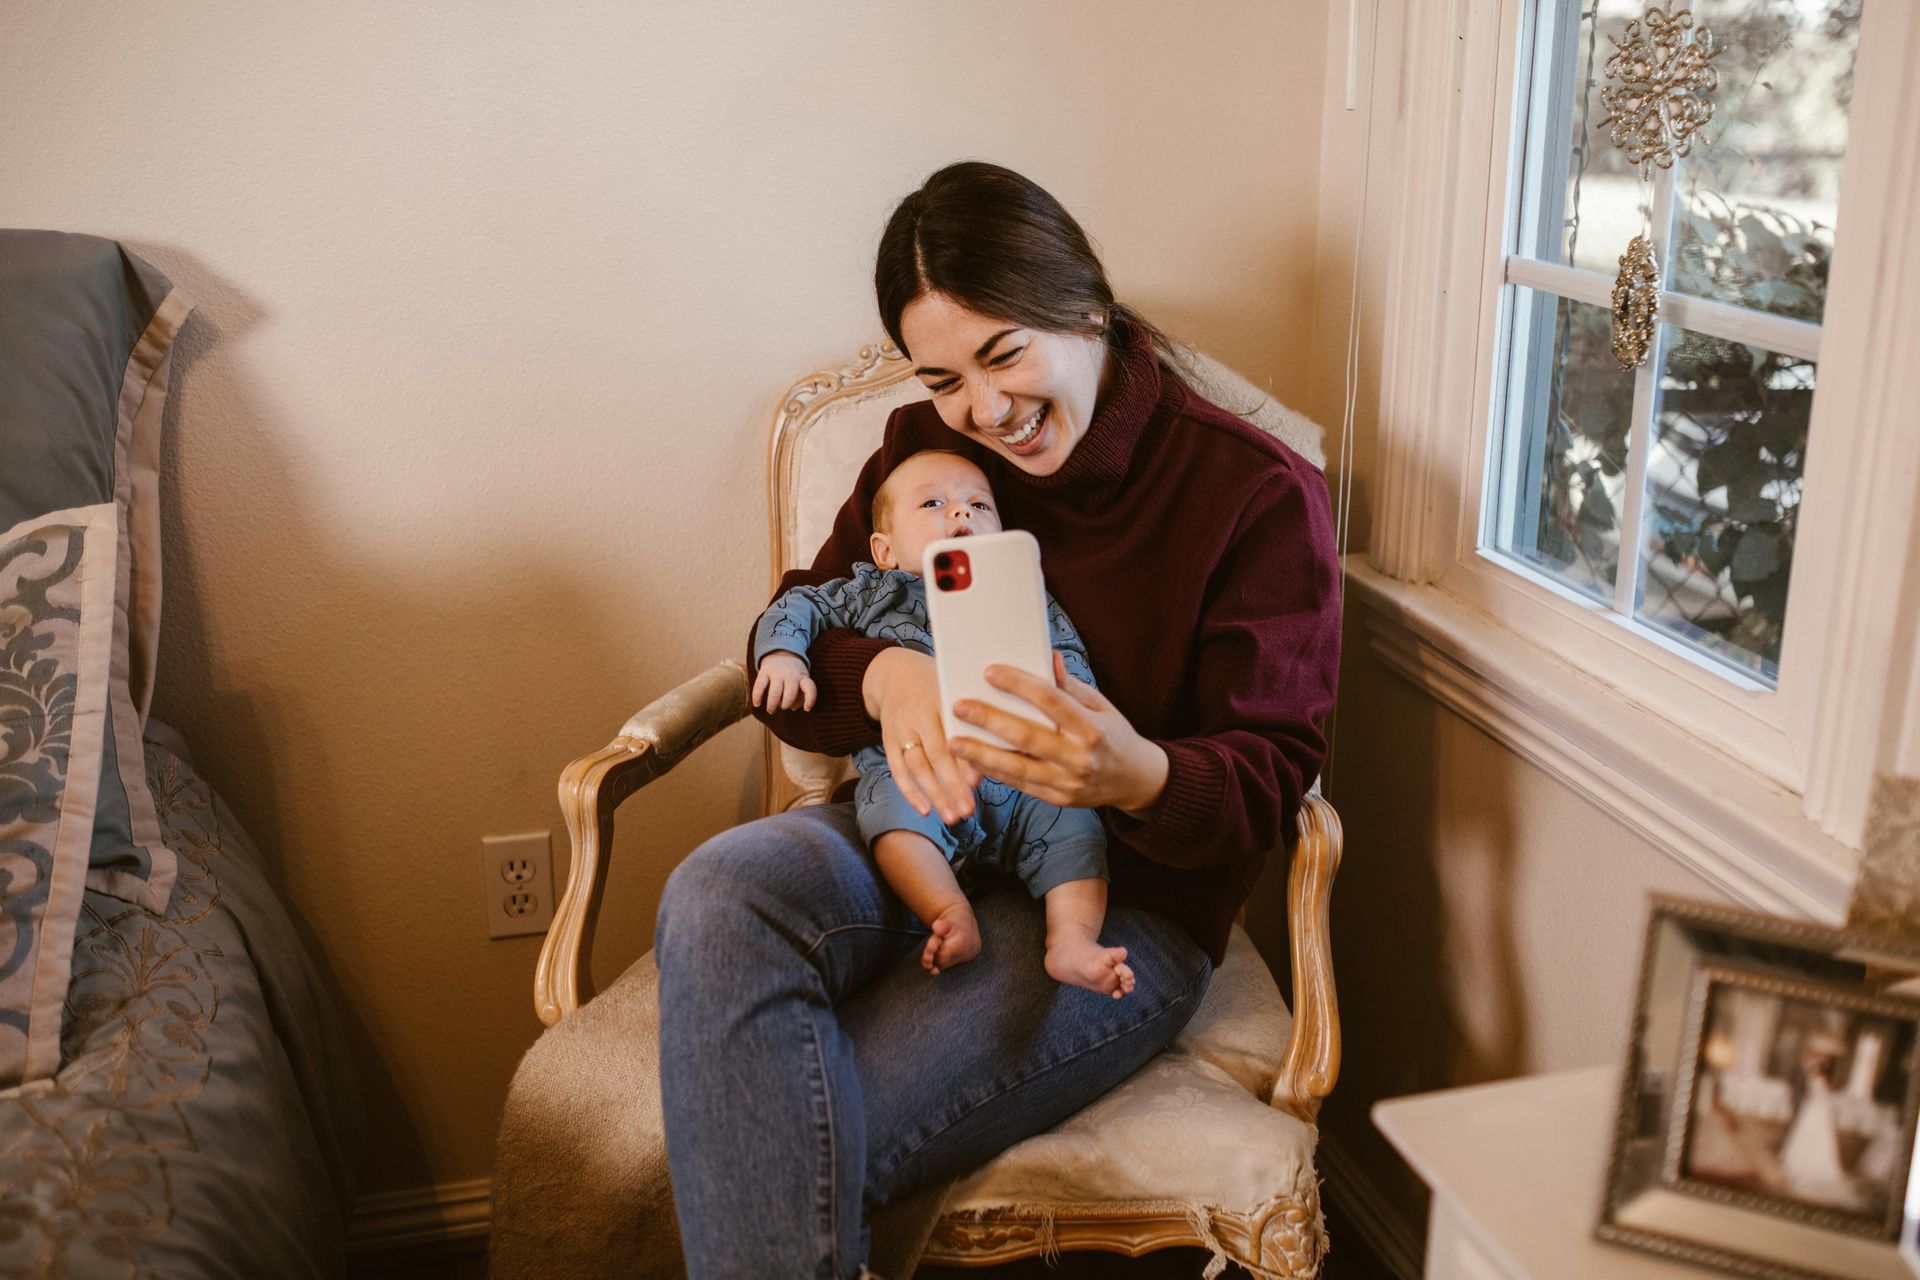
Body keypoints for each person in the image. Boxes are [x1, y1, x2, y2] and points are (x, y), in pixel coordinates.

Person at [654, 160, 1342, 1278]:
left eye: (1003, 354)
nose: (983, 411)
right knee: (718, 887)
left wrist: (1140, 777)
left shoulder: (1251, 494)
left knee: (792, 1130)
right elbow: (793, 623)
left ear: (1085, 303)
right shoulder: (928, 456)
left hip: (1116, 898)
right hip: (912, 825)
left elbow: (1272, 774)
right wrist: (883, 678)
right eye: (942, 377)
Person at [751, 447, 1135, 997]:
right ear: (884, 550)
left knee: (1077, 829)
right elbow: (797, 607)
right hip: (914, 771)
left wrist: (1070, 702)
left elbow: (1067, 655)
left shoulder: (1024, 597)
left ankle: (1072, 940)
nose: (962, 515)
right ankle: (948, 911)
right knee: (892, 821)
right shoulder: (868, 592)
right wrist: (783, 656)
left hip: (1022, 774)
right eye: (934, 503)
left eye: (980, 506)